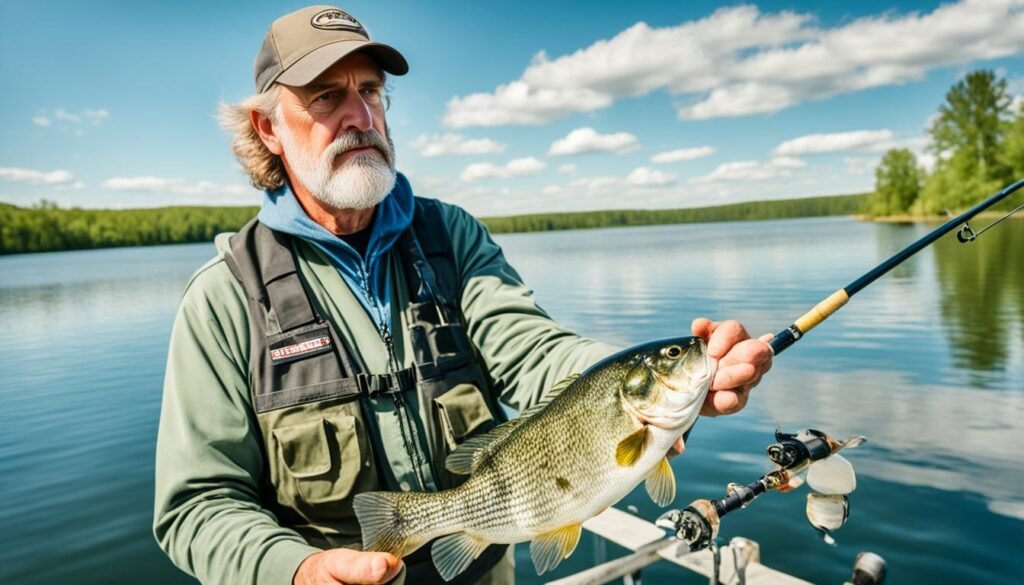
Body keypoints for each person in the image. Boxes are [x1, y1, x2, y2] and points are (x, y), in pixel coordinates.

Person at [153, 5, 774, 585]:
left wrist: (656, 387)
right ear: (268, 128)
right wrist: (294, 569)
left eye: (370, 91)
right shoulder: (224, 299)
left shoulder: (449, 235)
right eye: (326, 97)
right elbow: (196, 504)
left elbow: (530, 348)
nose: (360, 117)